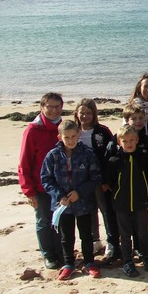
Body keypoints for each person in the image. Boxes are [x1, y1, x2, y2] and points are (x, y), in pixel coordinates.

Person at [40, 119, 101, 280]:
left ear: (78, 134)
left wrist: (80, 192)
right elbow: (46, 179)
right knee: (66, 237)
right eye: (67, 137)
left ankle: (89, 262)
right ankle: (69, 263)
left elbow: (95, 177)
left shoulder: (87, 154)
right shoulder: (53, 156)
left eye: (73, 136)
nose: (71, 140)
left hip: (84, 203)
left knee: (86, 235)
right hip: (63, 205)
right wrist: (59, 196)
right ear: (59, 137)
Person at [18, 92, 65, 269]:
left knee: (60, 220)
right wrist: (28, 191)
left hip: (62, 186)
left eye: (57, 106)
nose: (53, 110)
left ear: (62, 107)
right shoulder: (33, 131)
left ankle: (60, 252)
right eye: (49, 106)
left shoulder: (63, 127)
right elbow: (24, 163)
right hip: (40, 187)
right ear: (42, 107)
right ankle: (48, 255)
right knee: (44, 221)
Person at [103, 125, 148, 277]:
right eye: (125, 141)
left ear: (137, 140)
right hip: (121, 204)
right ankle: (127, 261)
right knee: (125, 234)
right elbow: (109, 182)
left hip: (140, 202)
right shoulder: (114, 161)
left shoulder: (144, 158)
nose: (129, 143)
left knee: (143, 232)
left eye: (132, 140)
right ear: (119, 142)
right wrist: (117, 193)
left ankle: (145, 255)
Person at [74, 98, 113, 253]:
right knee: (89, 210)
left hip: (100, 179)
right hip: (81, 180)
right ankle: (95, 240)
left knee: (106, 209)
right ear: (76, 113)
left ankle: (111, 240)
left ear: (94, 114)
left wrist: (107, 179)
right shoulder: (73, 132)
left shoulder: (102, 131)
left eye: (88, 113)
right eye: (82, 113)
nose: (85, 116)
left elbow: (110, 156)